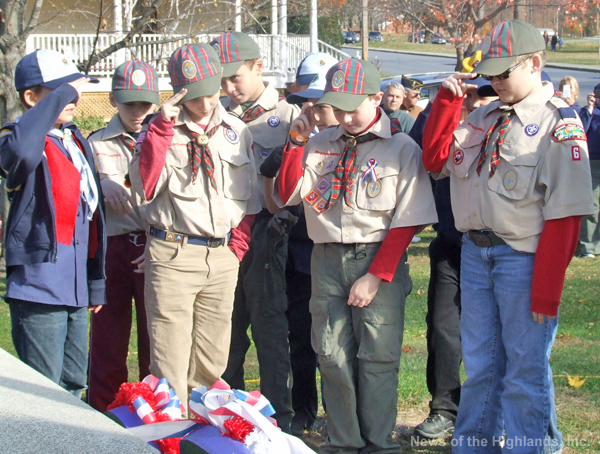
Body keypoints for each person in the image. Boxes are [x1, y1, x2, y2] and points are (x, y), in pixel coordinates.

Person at [422, 20, 594, 452]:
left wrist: (546, 292)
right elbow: (435, 159)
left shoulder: (559, 123)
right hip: (476, 256)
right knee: (480, 365)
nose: (494, 82)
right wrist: (446, 102)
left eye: (503, 73)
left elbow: (566, 215)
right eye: (490, 74)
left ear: (535, 63)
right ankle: (475, 445)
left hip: (524, 260)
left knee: (523, 370)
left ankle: (527, 446)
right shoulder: (481, 117)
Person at [277, 57, 438, 453]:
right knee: (330, 353)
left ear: (377, 98)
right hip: (326, 257)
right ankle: (344, 441)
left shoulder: (401, 147)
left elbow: (408, 218)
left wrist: (377, 274)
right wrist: (295, 143)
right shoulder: (319, 143)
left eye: (354, 105)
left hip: (377, 258)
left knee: (377, 356)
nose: (346, 116)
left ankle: (378, 442)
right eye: (338, 106)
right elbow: (286, 193)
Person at [128, 43, 261, 409]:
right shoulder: (158, 131)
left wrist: (236, 249)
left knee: (212, 357)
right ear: (179, 93)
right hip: (173, 254)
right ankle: (169, 437)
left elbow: (249, 200)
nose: (205, 104)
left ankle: (201, 435)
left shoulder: (236, 129)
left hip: (220, 256)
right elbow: (145, 187)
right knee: (169, 359)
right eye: (194, 96)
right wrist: (161, 131)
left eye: (211, 91)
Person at [0, 49, 106, 398]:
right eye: (59, 91)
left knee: (75, 384)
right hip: (39, 282)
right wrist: (61, 95)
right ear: (32, 98)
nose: (72, 98)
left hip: (74, 283)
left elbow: (92, 219)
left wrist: (95, 281)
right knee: (45, 391)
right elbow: (21, 154)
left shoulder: (74, 140)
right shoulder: (16, 137)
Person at [210, 31, 299, 432]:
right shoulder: (218, 118)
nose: (228, 88)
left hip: (267, 231)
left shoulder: (289, 117)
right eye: (222, 80)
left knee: (268, 324)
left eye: (236, 78)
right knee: (226, 324)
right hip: (226, 232)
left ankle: (275, 415)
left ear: (259, 67)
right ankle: (227, 411)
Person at [413, 75, 498, 440]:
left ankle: (505, 418)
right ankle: (445, 407)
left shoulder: (503, 122)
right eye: (471, 95)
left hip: (498, 247)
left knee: (500, 338)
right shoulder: (440, 115)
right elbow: (428, 155)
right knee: (444, 330)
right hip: (452, 245)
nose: (477, 103)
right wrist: (447, 108)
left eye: (485, 95)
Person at [261, 52, 339, 436]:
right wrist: (296, 142)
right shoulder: (295, 140)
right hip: (298, 251)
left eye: (319, 102)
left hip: (335, 253)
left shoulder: (349, 143)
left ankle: (342, 412)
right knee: (301, 336)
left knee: (338, 342)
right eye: (305, 101)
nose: (311, 108)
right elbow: (274, 193)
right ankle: (305, 408)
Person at [87, 60, 158, 412]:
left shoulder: (165, 140)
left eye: (145, 104)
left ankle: (154, 417)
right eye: (131, 104)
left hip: (155, 245)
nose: (139, 112)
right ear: (114, 99)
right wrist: (102, 184)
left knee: (156, 341)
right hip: (112, 247)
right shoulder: (95, 143)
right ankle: (104, 412)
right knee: (107, 339)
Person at [577, 83, 600, 258]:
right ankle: (588, 246)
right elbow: (581, 131)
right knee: (593, 204)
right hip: (593, 161)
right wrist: (590, 110)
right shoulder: (589, 112)